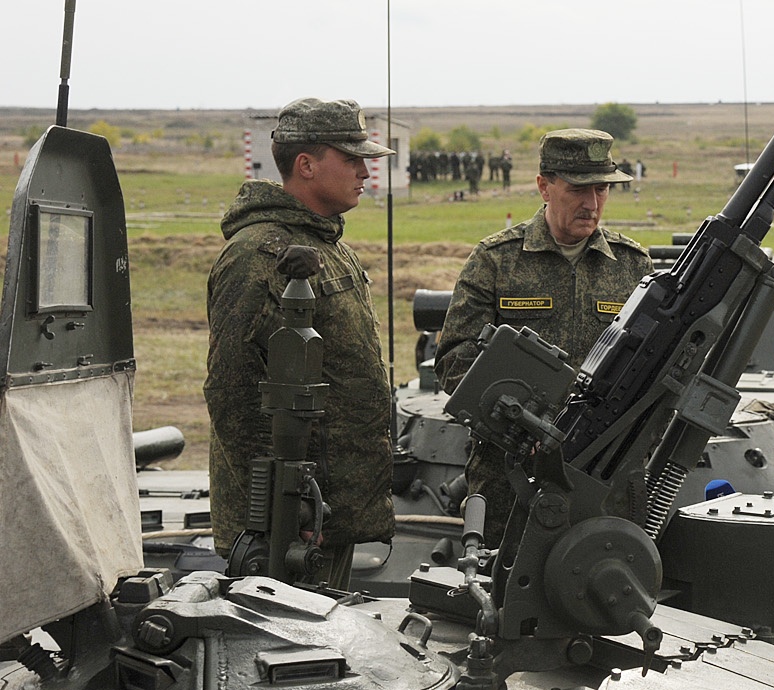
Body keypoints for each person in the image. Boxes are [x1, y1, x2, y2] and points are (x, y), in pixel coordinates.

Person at [203, 97, 396, 589]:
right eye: (351, 159)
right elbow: (234, 393)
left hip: (326, 512)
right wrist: (280, 509)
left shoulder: (325, 246)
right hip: (288, 527)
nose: (364, 171)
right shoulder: (259, 254)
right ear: (306, 165)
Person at [436, 128, 652, 546]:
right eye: (578, 189)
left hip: (604, 483)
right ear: (544, 187)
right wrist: (532, 425)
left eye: (602, 189)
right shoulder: (496, 261)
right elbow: (454, 361)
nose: (592, 204)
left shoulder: (632, 268)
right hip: (510, 483)